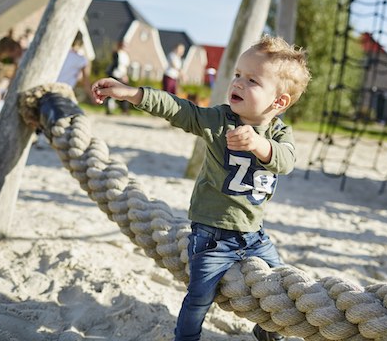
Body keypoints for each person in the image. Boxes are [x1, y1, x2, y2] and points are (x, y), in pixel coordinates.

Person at [91, 35, 311, 341]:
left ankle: (267, 331)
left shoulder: (278, 132)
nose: (237, 83)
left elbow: (286, 161)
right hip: (212, 236)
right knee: (198, 298)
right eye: (237, 75)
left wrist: (259, 144)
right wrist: (133, 93)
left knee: (279, 287)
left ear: (279, 101)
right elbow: (178, 109)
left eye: (251, 80)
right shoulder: (219, 120)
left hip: (254, 235)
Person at [34, 32, 94, 149]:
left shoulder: (57, 54)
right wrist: (92, 97)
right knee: (67, 116)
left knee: (46, 113)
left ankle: (41, 136)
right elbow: (85, 81)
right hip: (64, 91)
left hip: (49, 87)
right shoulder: (81, 59)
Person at [104, 40, 131, 115]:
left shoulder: (126, 55)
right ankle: (109, 109)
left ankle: (125, 109)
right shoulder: (116, 53)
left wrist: (125, 75)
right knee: (111, 92)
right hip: (115, 75)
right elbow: (116, 66)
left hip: (122, 75)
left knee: (125, 92)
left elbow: (125, 67)